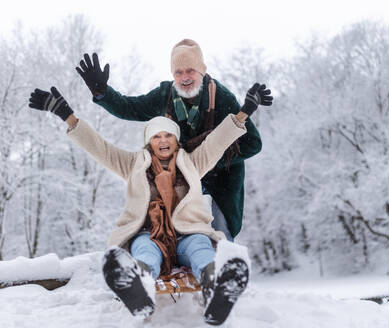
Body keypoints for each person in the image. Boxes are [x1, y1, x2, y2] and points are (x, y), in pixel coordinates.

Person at [27, 82, 272, 325]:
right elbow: (100, 148)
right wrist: (67, 116)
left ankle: (216, 285)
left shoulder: (193, 162)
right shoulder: (133, 164)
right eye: (156, 136)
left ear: (176, 141)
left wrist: (245, 111)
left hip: (189, 233)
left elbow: (218, 141)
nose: (163, 140)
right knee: (144, 250)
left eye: (168, 135)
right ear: (149, 141)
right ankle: (137, 287)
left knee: (201, 248)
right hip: (150, 234)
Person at [75, 39, 272, 242]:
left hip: (221, 182)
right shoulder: (165, 95)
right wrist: (103, 93)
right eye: (178, 72)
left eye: (190, 71)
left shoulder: (220, 97)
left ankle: (224, 269)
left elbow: (253, 143)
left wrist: (211, 159)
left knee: (221, 234)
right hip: (180, 179)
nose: (185, 77)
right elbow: (129, 108)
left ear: (201, 72)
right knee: (174, 232)